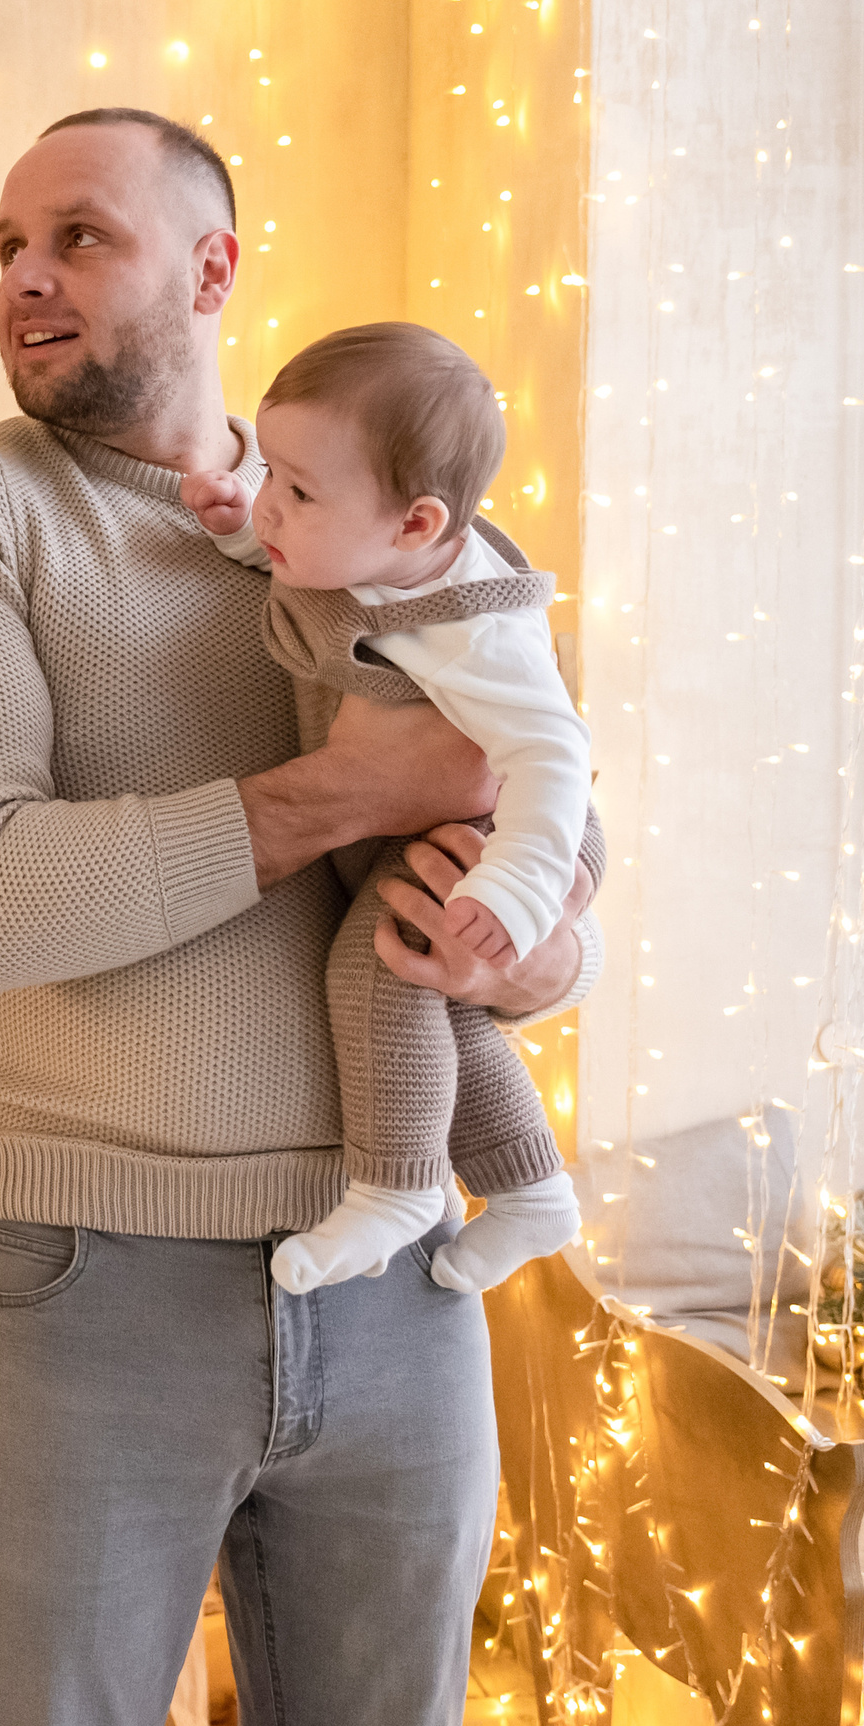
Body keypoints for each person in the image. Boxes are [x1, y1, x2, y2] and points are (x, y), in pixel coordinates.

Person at [0, 107, 606, 1726]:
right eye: (7, 247)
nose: (26, 278)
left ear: (214, 265)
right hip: (89, 1282)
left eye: (81, 237)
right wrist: (334, 791)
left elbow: (539, 836)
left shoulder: (380, 526)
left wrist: (531, 955)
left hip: (401, 1279)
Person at [180, 322, 592, 1297]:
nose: (271, 502)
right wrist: (241, 524)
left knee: (375, 972)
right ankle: (533, 1193)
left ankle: (397, 1187)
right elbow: (314, 562)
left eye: (297, 491)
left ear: (416, 525)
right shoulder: (372, 548)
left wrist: (522, 885)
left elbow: (553, 752)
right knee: (435, 1011)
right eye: (269, 474)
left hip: (507, 831)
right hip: (444, 825)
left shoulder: (474, 631)